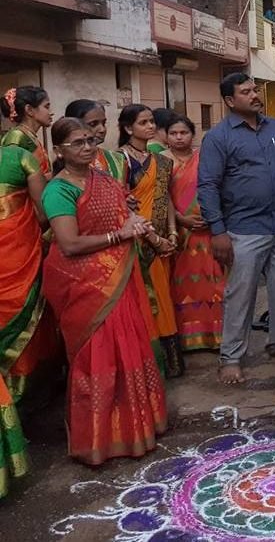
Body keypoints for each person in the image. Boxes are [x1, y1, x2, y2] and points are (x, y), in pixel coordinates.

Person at [42, 118, 167, 466]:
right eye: (77, 143)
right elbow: (69, 244)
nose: (87, 148)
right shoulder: (59, 190)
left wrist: (150, 236)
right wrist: (120, 237)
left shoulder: (107, 181)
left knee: (128, 347)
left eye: (90, 141)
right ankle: (99, 439)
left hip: (119, 279)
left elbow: (128, 217)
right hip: (84, 286)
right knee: (97, 356)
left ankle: (136, 429)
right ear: (59, 150)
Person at [198, 73, 275, 385]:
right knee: (241, 295)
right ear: (230, 101)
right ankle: (231, 357)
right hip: (244, 228)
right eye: (245, 92)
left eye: (254, 89)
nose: (254, 94)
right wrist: (217, 230)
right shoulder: (218, 137)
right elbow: (207, 185)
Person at [118, 104, 183, 378]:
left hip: (162, 242)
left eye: (152, 122)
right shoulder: (119, 160)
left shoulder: (160, 159)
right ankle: (147, 364)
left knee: (164, 299)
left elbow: (165, 197)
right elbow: (122, 204)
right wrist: (152, 237)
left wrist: (171, 233)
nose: (150, 126)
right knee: (144, 302)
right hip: (137, 240)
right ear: (127, 128)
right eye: (143, 122)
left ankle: (170, 364)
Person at [0, 143, 47, 498]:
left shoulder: (18, 156)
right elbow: (43, 211)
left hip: (16, 254)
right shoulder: (20, 155)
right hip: (16, 254)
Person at [165, 115, 224, 351]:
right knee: (181, 285)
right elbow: (162, 198)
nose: (179, 137)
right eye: (174, 133)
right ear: (166, 136)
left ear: (193, 134)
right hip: (179, 232)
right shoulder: (161, 161)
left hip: (209, 230)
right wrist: (181, 219)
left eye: (184, 133)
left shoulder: (205, 158)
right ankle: (187, 338)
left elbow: (218, 187)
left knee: (214, 281)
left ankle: (216, 336)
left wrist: (214, 218)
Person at [64, 99, 128, 182]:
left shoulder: (117, 159)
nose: (102, 129)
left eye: (104, 123)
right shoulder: (69, 160)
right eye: (93, 124)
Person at [1, 86, 54, 178]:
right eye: (46, 107)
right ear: (29, 110)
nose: (51, 112)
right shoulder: (16, 137)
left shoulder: (30, 136)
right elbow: (11, 178)